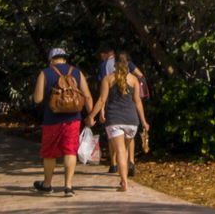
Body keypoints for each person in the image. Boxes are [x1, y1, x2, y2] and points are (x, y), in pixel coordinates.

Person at [31, 48, 90, 196]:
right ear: (65, 59)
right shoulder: (77, 72)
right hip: (73, 119)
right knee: (70, 151)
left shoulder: (45, 73)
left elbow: (37, 99)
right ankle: (68, 187)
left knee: (49, 153)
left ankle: (47, 184)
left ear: (51, 60)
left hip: (51, 119)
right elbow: (87, 96)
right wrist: (91, 116)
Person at [87, 51, 149, 193]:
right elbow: (138, 102)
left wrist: (92, 116)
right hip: (132, 120)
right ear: (128, 64)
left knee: (120, 151)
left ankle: (124, 183)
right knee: (125, 151)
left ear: (115, 65)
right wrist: (144, 121)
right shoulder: (133, 80)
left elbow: (102, 100)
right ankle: (123, 179)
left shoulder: (108, 79)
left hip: (115, 120)